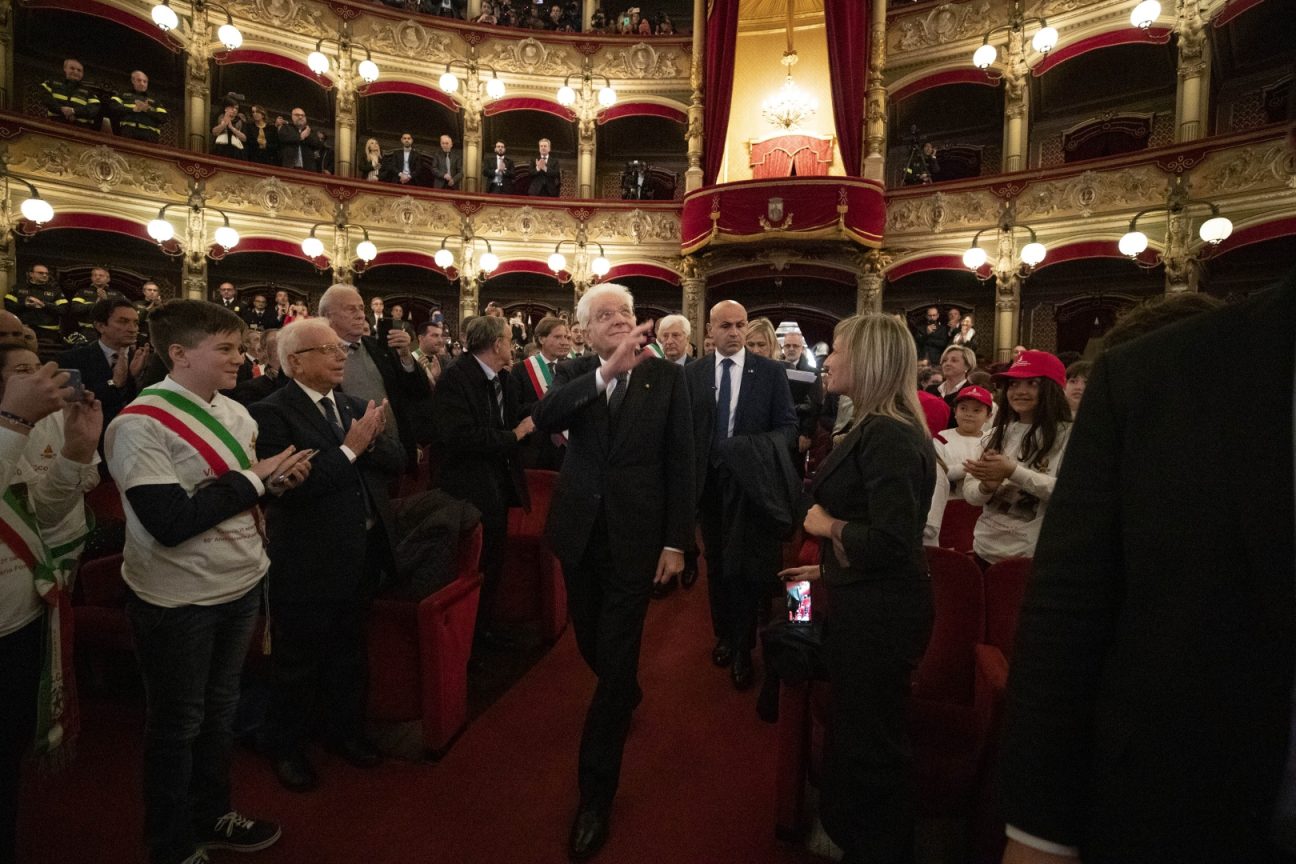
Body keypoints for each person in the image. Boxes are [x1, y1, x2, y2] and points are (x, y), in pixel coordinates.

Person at [997, 269, 1295, 864]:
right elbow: (1068, 623)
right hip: (1191, 798)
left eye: (1031, 385)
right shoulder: (1158, 374)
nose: (1019, 393)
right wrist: (1040, 832)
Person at [106, 300, 312, 864]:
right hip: (177, 597)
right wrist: (255, 478)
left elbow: (237, 496)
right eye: (224, 348)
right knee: (178, 724)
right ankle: (170, 843)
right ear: (179, 354)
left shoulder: (237, 415)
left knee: (220, 711)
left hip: (240, 579)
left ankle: (212, 812)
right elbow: (170, 523)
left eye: (239, 346)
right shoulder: (138, 424)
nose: (240, 358)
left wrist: (276, 484)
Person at [530, 283, 693, 860]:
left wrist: (677, 542)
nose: (620, 321)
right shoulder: (573, 371)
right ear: (585, 331)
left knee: (614, 661)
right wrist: (604, 374)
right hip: (579, 536)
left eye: (625, 312)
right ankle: (623, 686)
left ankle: (594, 798)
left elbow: (682, 463)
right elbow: (542, 416)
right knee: (593, 642)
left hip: (635, 539)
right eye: (606, 316)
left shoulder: (667, 377)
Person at [777, 312, 936, 864]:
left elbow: (893, 542)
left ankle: (881, 847)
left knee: (874, 746)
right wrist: (825, 571)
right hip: (864, 599)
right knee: (858, 731)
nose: (829, 360)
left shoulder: (889, 433)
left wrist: (825, 528)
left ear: (868, 360)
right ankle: (853, 836)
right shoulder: (875, 426)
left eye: (838, 350)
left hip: (882, 617)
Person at [249, 319, 402, 793]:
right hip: (306, 557)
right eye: (330, 349)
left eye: (343, 349)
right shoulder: (272, 413)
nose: (342, 357)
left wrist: (367, 444)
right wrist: (352, 449)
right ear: (295, 361)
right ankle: (287, 747)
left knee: (349, 653)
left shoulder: (354, 406)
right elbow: (293, 491)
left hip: (360, 551)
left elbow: (398, 462)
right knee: (297, 661)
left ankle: (345, 733)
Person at [0, 352, 99, 864]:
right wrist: (14, 422)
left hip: (19, 615)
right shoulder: (13, 423)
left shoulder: (36, 423)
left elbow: (42, 513)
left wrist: (77, 451)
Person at [686, 300, 798, 689]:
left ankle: (745, 647)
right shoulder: (694, 373)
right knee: (716, 565)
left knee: (746, 568)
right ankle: (726, 636)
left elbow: (787, 429)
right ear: (709, 331)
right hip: (710, 488)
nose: (734, 333)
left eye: (740, 325)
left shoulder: (769, 372)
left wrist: (746, 450)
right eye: (726, 326)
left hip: (751, 486)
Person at [432, 314, 531, 649]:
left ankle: (485, 629)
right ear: (497, 344)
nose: (512, 345)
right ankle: (469, 640)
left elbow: (513, 418)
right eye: (508, 338)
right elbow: (458, 436)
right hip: (469, 488)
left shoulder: (504, 378)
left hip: (497, 485)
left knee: (493, 561)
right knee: (474, 564)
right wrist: (512, 436)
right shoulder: (455, 378)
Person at [963, 350, 1072, 567]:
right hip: (985, 549)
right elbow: (972, 496)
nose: (1020, 391)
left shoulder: (1069, 436)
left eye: (1032, 383)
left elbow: (1070, 494)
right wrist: (986, 486)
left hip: (1035, 557)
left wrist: (1013, 472)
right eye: (1013, 384)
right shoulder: (995, 435)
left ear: (1052, 389)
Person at [318, 284, 430, 467]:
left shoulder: (380, 347)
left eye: (361, 308)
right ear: (328, 316)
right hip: (352, 459)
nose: (360, 314)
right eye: (351, 309)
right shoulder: (316, 354)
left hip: (396, 451)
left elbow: (418, 392)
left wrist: (405, 355)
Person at [59, 297, 152, 444]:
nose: (132, 328)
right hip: (91, 441)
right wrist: (114, 383)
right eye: (123, 321)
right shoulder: (73, 359)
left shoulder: (146, 360)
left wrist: (132, 377)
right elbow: (75, 405)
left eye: (135, 322)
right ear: (101, 326)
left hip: (136, 441)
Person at [511, 315, 571, 470]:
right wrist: (548, 406)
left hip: (567, 451)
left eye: (566, 337)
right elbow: (515, 409)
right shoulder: (520, 369)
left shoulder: (573, 368)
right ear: (541, 339)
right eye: (558, 337)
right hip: (534, 450)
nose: (564, 342)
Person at [935, 384, 991, 497]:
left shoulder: (992, 440)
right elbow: (937, 473)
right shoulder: (941, 438)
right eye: (963, 408)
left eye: (976, 410)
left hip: (984, 505)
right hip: (949, 503)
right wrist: (972, 468)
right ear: (955, 412)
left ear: (988, 416)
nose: (969, 414)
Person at [5, 264, 61, 342]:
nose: (45, 275)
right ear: (31, 274)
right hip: (23, 329)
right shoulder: (18, 288)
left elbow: (63, 309)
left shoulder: (55, 291)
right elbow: (8, 306)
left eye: (47, 273)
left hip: (47, 332)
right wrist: (25, 305)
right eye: (41, 273)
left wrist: (44, 304)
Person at [41, 58, 98, 128]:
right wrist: (61, 109)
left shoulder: (89, 92)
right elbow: (45, 98)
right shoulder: (51, 83)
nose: (76, 72)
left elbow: (94, 109)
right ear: (65, 69)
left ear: (82, 74)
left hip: (80, 128)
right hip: (53, 124)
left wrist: (74, 111)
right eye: (72, 68)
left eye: (79, 70)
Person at [112, 70, 167, 143]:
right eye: (139, 80)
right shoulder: (122, 94)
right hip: (127, 132)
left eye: (145, 81)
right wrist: (132, 109)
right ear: (133, 81)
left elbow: (163, 117)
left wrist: (147, 110)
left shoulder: (155, 100)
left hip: (150, 136)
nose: (142, 83)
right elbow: (112, 107)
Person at [928, 344, 976, 420]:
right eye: (944, 361)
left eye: (954, 360)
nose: (947, 364)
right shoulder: (930, 390)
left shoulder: (972, 393)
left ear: (967, 366)